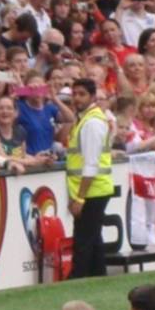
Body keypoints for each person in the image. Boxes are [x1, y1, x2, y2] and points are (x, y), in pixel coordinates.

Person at [65, 78, 114, 280]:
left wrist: (80, 198)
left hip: (91, 191)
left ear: (93, 97)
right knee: (93, 240)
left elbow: (90, 164)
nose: (77, 98)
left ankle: (79, 278)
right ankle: (98, 276)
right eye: (74, 94)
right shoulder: (88, 119)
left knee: (84, 241)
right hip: (95, 189)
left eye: (82, 94)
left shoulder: (92, 122)